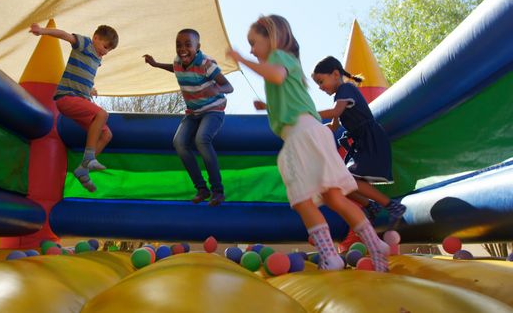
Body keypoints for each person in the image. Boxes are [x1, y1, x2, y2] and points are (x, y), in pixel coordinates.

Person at [226, 15, 389, 272]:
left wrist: (240, 59)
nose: (251, 50)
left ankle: (330, 256)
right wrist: (267, 106)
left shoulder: (278, 58)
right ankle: (375, 244)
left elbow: (276, 76)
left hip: (301, 136)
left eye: (254, 43)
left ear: (273, 38)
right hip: (311, 131)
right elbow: (294, 102)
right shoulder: (288, 63)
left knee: (302, 200)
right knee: (334, 197)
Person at [312, 56, 406, 231]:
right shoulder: (340, 96)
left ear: (334, 74)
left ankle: (392, 205)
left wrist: (308, 113)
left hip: (371, 139)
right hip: (362, 142)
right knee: (341, 182)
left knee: (349, 179)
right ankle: (371, 206)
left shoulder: (346, 89)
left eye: (321, 81)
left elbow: (336, 112)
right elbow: (333, 125)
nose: (320, 87)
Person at [143, 29, 234, 206]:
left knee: (201, 140)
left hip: (213, 110)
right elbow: (175, 68)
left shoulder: (206, 64)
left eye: (187, 45)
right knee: (178, 142)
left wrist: (217, 89)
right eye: (178, 45)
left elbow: (228, 86)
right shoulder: (178, 61)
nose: (182, 49)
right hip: (193, 112)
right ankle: (201, 188)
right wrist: (156, 64)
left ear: (197, 47)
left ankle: (217, 190)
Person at [29, 22, 118, 192]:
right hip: (66, 98)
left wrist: (89, 88)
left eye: (109, 50)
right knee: (102, 114)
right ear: (96, 38)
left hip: (81, 99)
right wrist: (42, 31)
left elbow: (83, 76)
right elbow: (64, 35)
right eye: (105, 46)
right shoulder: (84, 44)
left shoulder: (96, 60)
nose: (105, 52)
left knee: (106, 134)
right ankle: (89, 157)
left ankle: (83, 171)